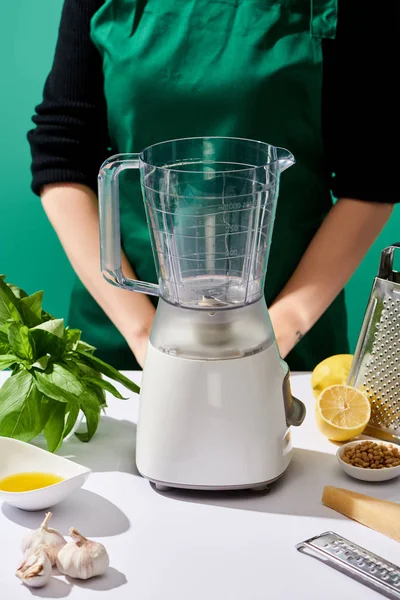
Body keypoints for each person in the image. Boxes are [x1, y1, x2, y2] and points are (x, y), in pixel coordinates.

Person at [28, 0, 398, 372]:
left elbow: (371, 177)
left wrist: (279, 329)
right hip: (121, 347)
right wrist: (145, 336)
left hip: (287, 345)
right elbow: (62, 155)